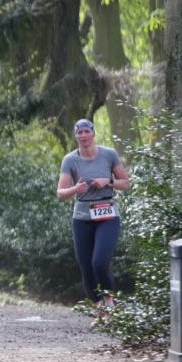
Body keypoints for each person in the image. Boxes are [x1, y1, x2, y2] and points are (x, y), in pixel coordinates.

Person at [56, 119, 130, 320]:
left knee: (99, 262)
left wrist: (110, 182)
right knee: (86, 265)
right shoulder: (70, 160)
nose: (83, 136)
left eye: (86, 131)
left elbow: (126, 183)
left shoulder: (109, 155)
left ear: (93, 133)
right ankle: (97, 306)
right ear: (76, 136)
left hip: (107, 214)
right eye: (79, 132)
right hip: (82, 217)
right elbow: (61, 192)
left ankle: (109, 300)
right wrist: (75, 189)